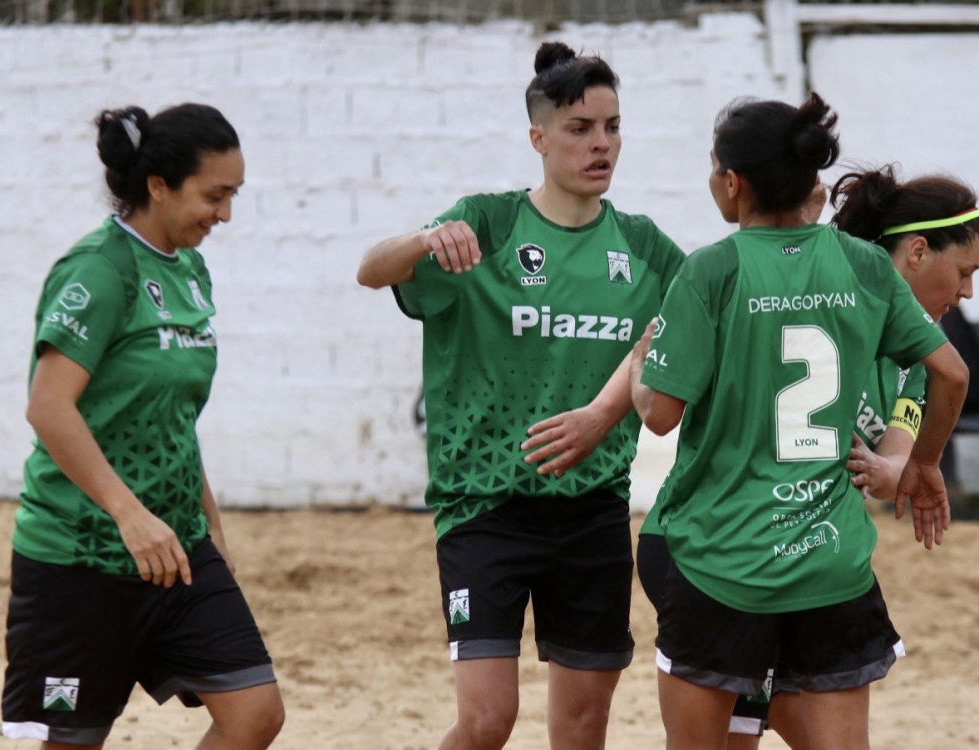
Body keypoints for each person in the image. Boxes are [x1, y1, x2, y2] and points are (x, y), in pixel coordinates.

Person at [357, 42, 685, 749]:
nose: (601, 144)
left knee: (581, 723)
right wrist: (424, 238)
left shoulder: (645, 247)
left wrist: (607, 410)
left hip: (593, 507)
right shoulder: (488, 223)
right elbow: (370, 270)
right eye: (580, 129)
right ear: (537, 138)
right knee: (486, 722)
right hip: (485, 506)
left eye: (613, 127)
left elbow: (688, 329)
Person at [629, 93, 968, 750]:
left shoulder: (710, 270)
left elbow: (663, 418)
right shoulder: (864, 263)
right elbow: (951, 374)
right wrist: (924, 464)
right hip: (828, 564)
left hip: (721, 559)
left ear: (733, 183)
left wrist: (645, 373)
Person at [0, 104, 285, 749]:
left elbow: (171, 413)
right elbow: (48, 407)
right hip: (83, 554)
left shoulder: (190, 270)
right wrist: (129, 515)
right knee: (74, 742)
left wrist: (208, 521)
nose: (226, 214)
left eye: (234, 195)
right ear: (158, 185)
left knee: (255, 712)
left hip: (176, 546)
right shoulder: (98, 270)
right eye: (215, 195)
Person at [725, 166, 979, 748]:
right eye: (964, 272)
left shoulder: (918, 359)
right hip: (735, 545)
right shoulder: (825, 294)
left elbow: (896, 455)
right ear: (917, 252)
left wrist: (900, 470)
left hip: (811, 554)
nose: (967, 292)